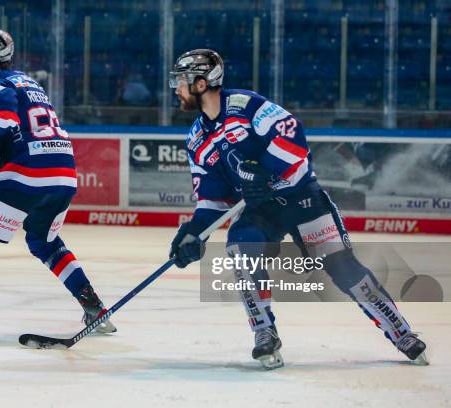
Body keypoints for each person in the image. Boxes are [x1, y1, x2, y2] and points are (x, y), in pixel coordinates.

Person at [167, 49, 427, 369]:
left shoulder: (246, 106)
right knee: (239, 248)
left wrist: (263, 169)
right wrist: (194, 232)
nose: (176, 89)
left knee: (343, 269)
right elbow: (213, 198)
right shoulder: (196, 139)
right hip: (262, 210)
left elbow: (293, 135)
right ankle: (265, 333)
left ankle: (400, 332)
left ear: (202, 82)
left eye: (181, 81)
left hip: (302, 199)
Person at [0, 29, 116, 344]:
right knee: (45, 242)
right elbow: (15, 134)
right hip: (64, 173)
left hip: (27, 173)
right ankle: (93, 306)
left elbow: (1, 117)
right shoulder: (30, 83)